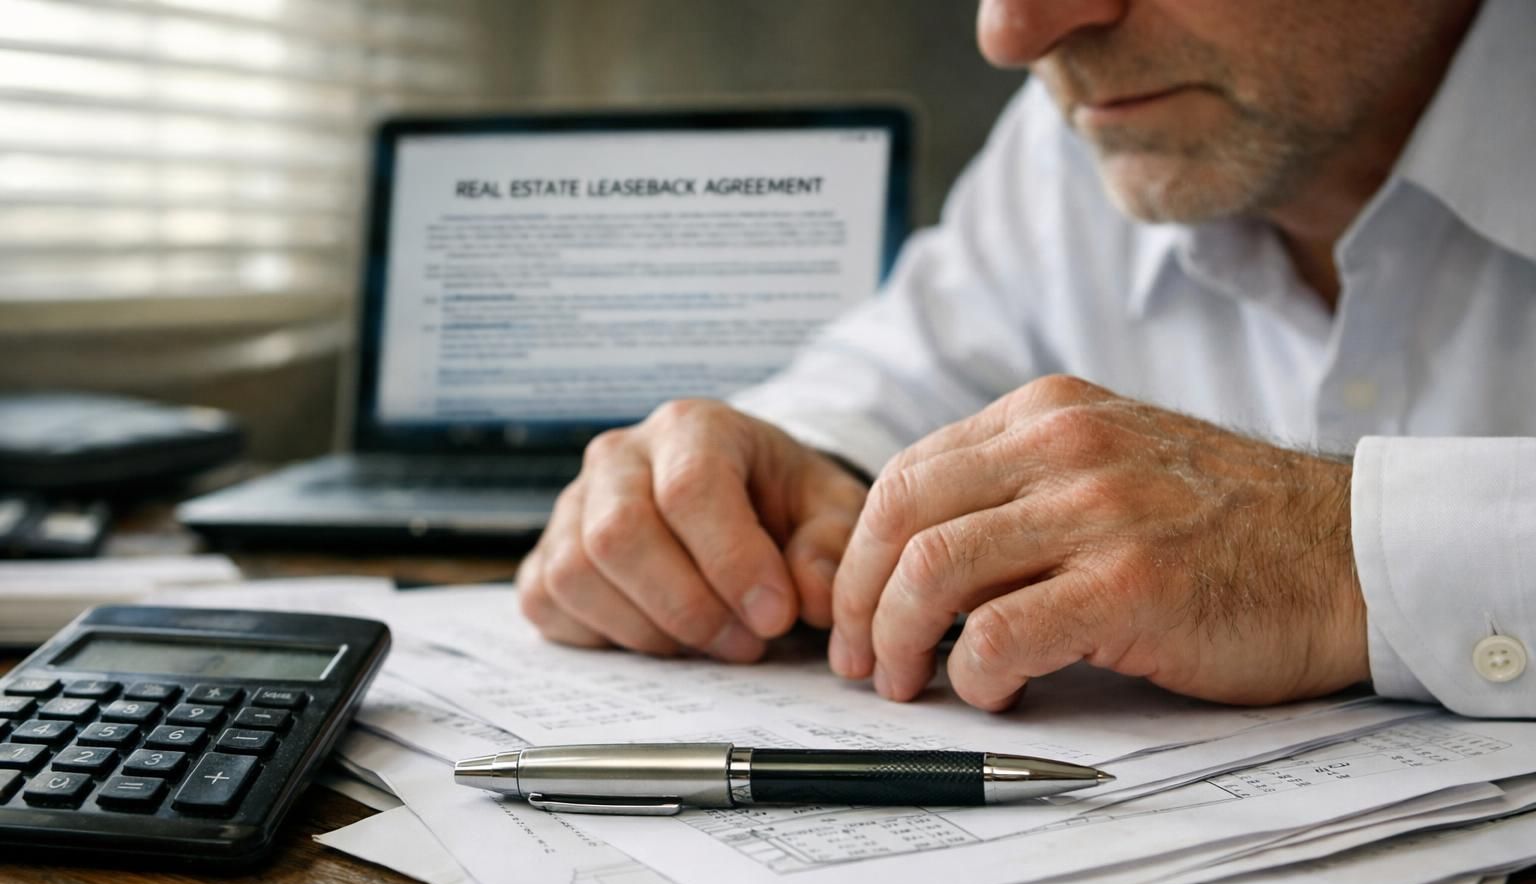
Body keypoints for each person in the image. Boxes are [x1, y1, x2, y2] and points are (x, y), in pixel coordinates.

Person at [516, 0, 1536, 719]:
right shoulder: (1091, 136)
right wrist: (756, 482)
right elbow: (888, 379)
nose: (1012, 31)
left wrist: (1333, 558)